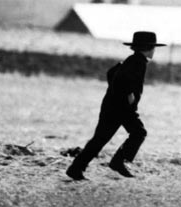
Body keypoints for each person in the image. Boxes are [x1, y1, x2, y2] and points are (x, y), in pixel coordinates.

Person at [66, 31, 164, 180]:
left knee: (100, 139)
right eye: (153, 48)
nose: (154, 51)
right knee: (138, 133)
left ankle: (77, 168)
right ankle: (118, 161)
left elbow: (111, 73)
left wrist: (118, 93)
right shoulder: (138, 61)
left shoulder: (132, 59)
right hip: (121, 108)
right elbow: (120, 78)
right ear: (148, 47)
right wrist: (129, 94)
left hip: (114, 105)